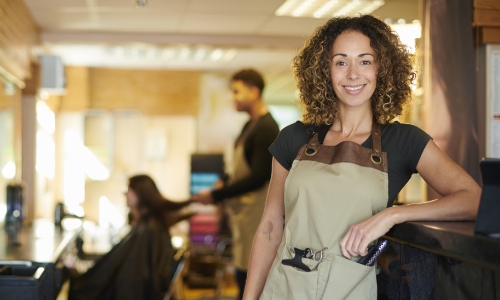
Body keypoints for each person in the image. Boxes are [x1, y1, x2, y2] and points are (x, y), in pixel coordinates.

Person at [242, 15, 481, 300]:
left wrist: (393, 215)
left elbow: (473, 199)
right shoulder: (294, 137)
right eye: (341, 62)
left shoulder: (404, 141)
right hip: (284, 287)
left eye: (365, 61)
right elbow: (270, 228)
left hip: (350, 290)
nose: (353, 74)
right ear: (324, 71)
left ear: (382, 69)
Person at [191, 69, 280, 300]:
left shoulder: (267, 128)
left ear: (254, 91)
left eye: (236, 91)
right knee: (243, 272)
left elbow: (259, 176)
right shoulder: (248, 126)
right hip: (244, 213)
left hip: (257, 213)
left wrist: (217, 195)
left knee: (252, 276)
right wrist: (224, 182)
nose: (233, 97)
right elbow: (239, 168)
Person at [69, 174, 193, 300]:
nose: (125, 194)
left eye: (129, 189)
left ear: (140, 193)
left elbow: (132, 276)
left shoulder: (150, 229)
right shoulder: (148, 225)